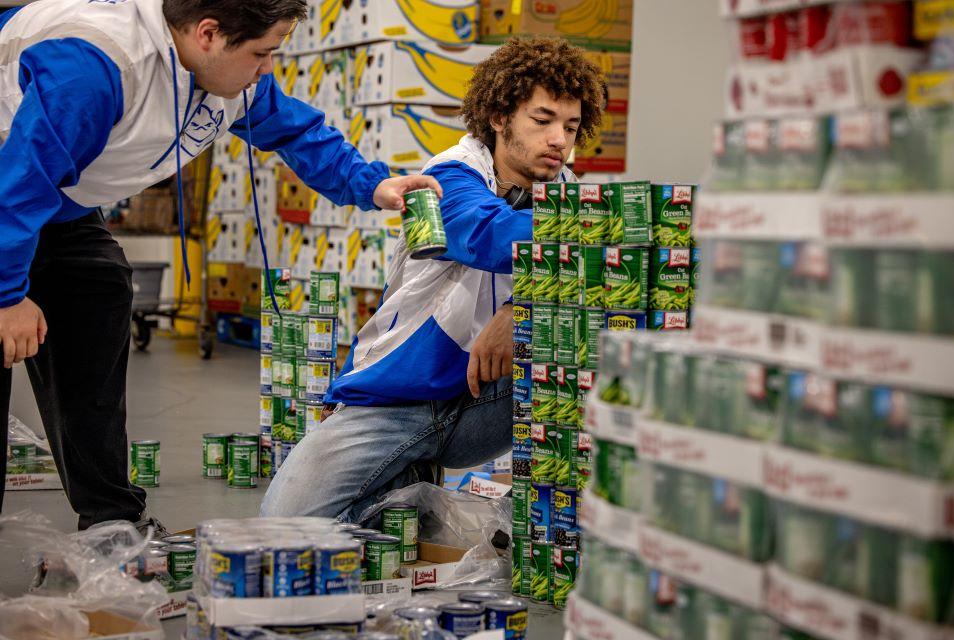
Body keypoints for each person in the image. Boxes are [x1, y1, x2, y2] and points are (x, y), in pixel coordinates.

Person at [0, 0, 439, 530]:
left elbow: (295, 131)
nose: (268, 68)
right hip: (12, 182)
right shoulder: (96, 68)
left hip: (56, 197)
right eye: (263, 53)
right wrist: (7, 296)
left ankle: (110, 522)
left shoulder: (228, 74)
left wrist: (373, 184)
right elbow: (21, 182)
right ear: (208, 33)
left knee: (99, 293)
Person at [261, 37, 605, 521]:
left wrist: (517, 312)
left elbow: (600, 284)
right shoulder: (449, 177)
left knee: (610, 339)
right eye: (543, 120)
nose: (559, 141)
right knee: (285, 526)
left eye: (570, 127)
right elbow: (488, 235)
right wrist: (605, 227)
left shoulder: (569, 197)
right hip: (396, 398)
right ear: (500, 118)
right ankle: (404, 484)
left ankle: (563, 530)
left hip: (486, 399)